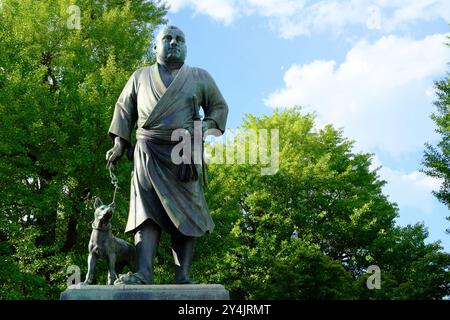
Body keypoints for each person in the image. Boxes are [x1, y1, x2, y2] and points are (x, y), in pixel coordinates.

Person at [106, 25, 228, 285]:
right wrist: (119, 143)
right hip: (147, 151)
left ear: (186, 47)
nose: (174, 43)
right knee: (145, 213)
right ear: (155, 47)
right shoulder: (140, 76)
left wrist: (206, 125)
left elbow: (219, 106)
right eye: (167, 38)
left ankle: (182, 275)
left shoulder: (199, 77)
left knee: (188, 212)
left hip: (184, 153)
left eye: (179, 39)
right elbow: (124, 110)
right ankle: (143, 273)